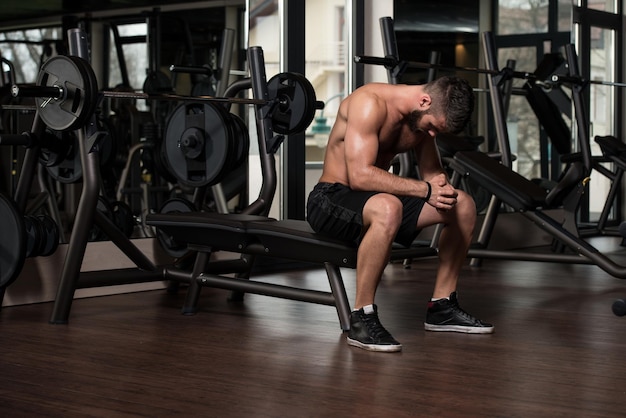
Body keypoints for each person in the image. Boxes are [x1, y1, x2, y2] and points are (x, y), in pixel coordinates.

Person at [306, 76, 494, 353]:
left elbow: (431, 172)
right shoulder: (369, 104)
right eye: (432, 128)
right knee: (389, 206)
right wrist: (424, 189)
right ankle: (361, 317)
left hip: (378, 201)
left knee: (462, 205)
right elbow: (360, 176)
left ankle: (442, 306)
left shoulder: (419, 120)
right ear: (424, 101)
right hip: (331, 199)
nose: (431, 136)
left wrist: (441, 187)